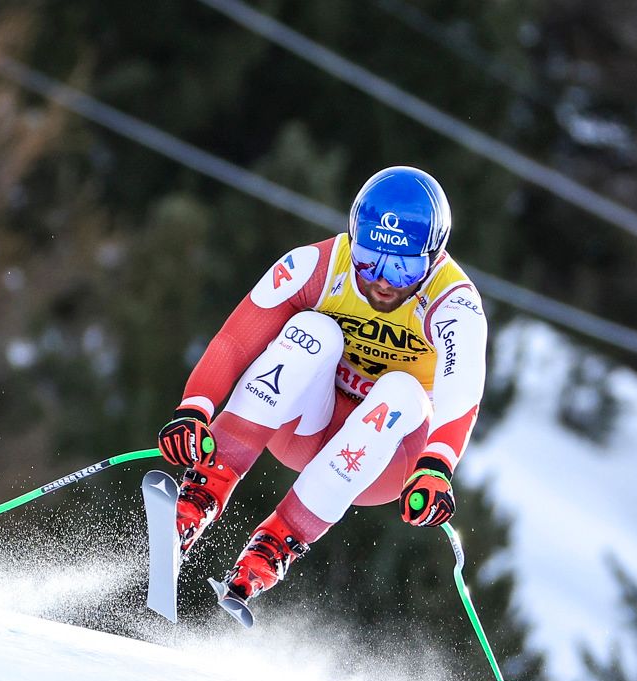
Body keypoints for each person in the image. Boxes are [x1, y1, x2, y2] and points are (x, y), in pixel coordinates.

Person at [155, 165, 488, 625]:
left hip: (382, 461)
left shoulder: (455, 305)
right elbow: (235, 340)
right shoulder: (317, 266)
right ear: (353, 239)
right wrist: (195, 408)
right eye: (368, 258)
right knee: (313, 331)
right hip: (304, 426)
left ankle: (274, 548)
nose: (382, 280)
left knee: (402, 390)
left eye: (403, 266)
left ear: (433, 259)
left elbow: (462, 394)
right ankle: (200, 495)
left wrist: (437, 465)